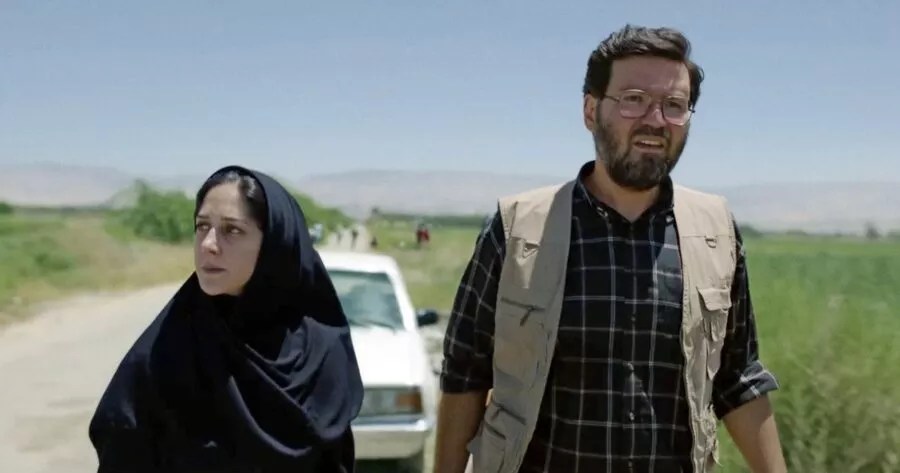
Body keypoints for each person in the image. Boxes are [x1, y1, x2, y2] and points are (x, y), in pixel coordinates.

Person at [435, 25, 787, 473]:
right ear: (590, 110)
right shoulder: (518, 228)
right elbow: (466, 372)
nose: (655, 120)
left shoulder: (716, 232)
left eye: (674, 105)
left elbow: (737, 378)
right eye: (634, 99)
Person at [88, 165, 364, 472]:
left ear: (274, 243)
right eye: (202, 226)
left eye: (232, 230)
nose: (208, 244)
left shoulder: (321, 353)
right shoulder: (165, 352)